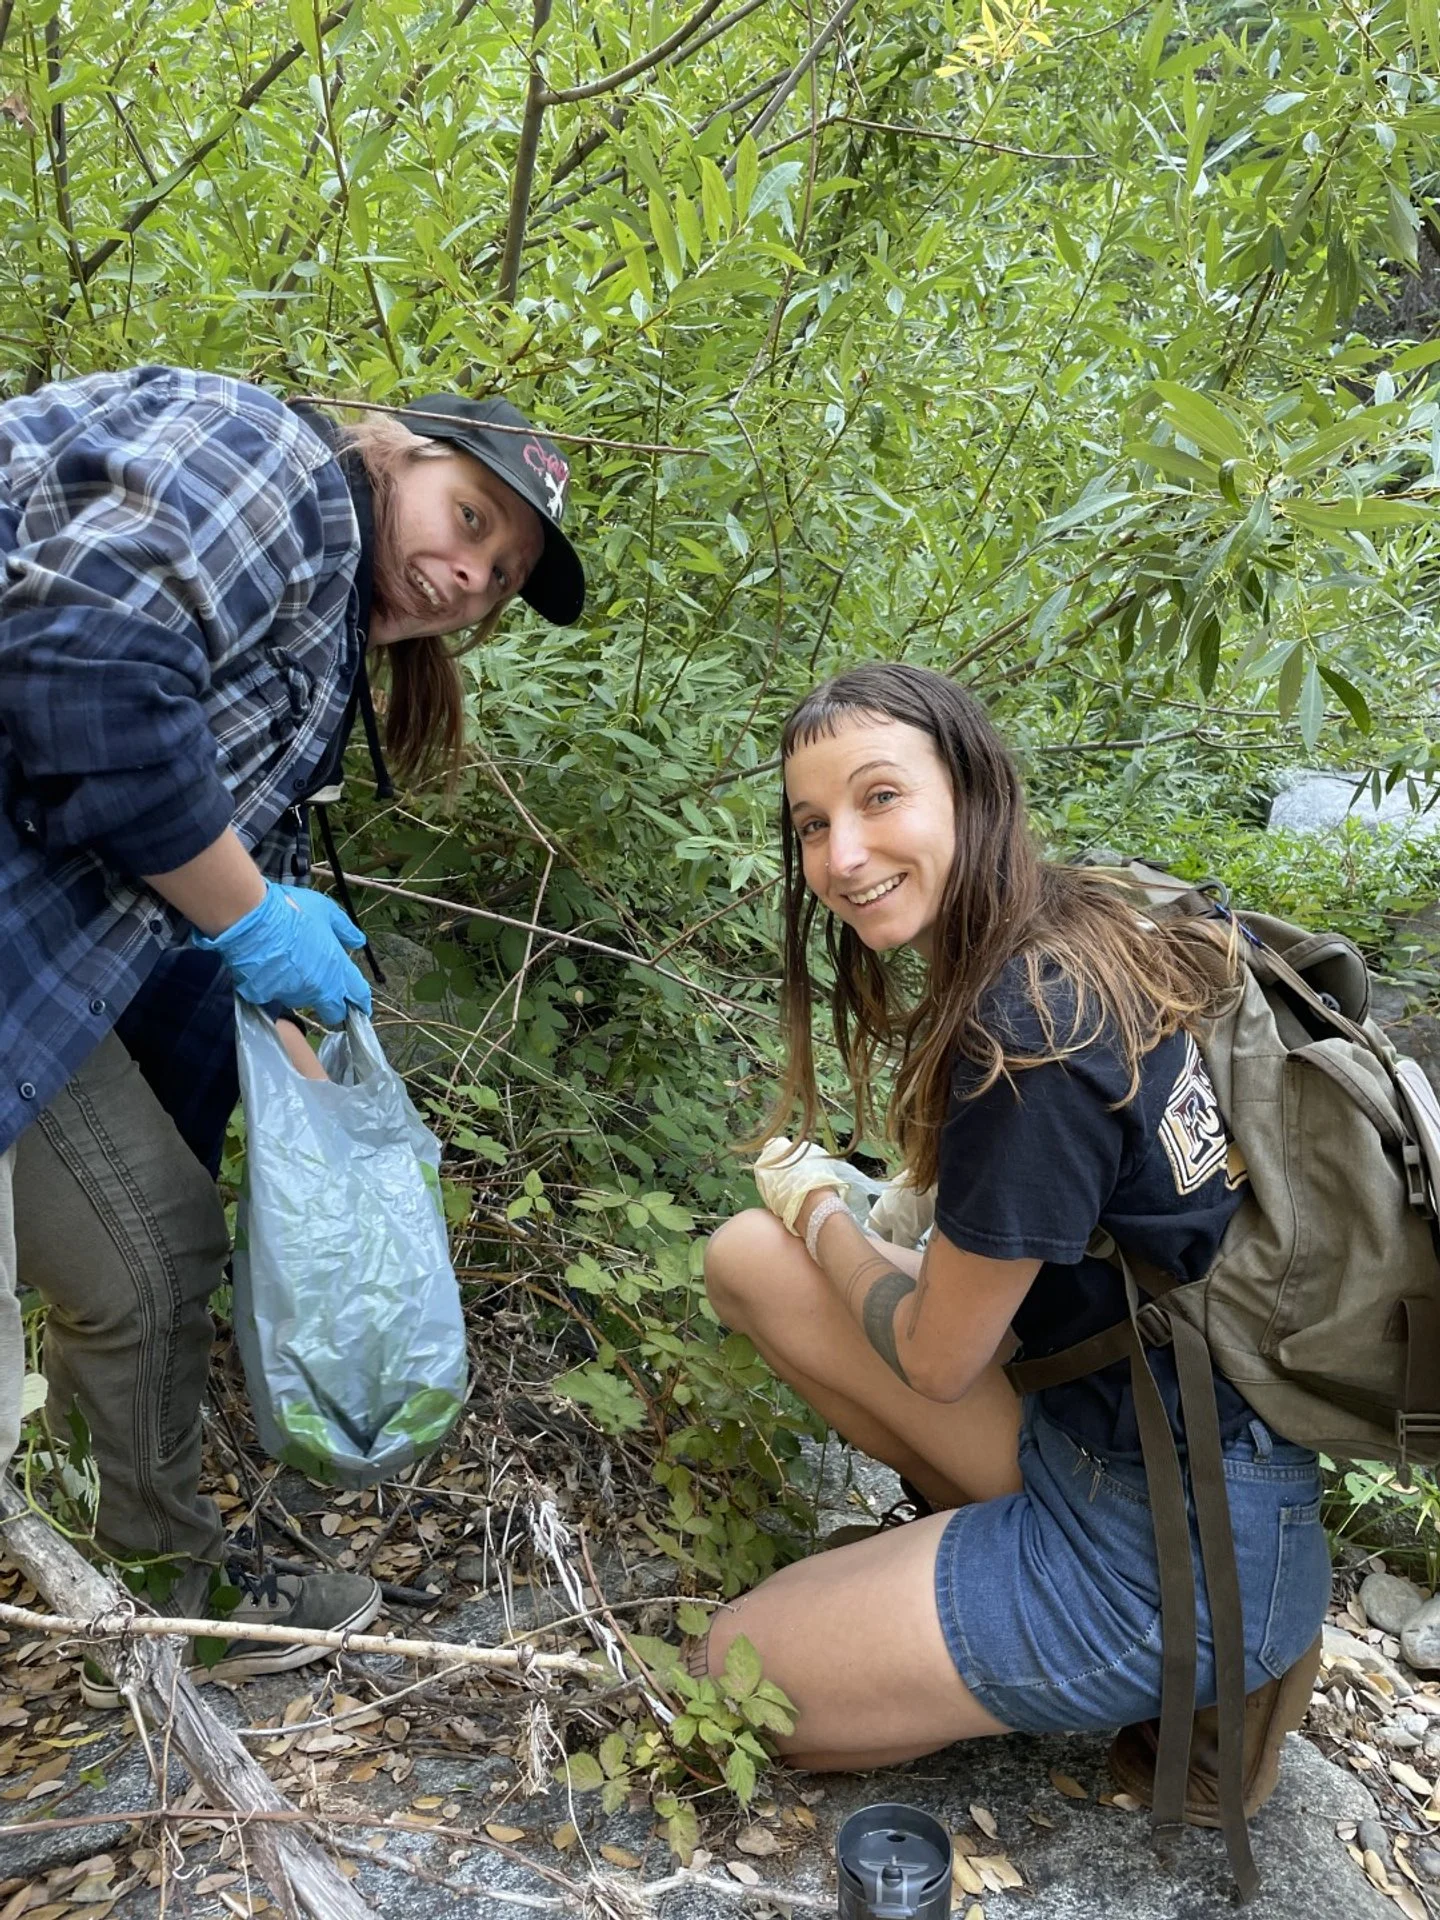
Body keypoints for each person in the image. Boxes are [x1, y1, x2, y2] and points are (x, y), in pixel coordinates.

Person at [0, 366, 585, 1702]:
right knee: (150, 1252)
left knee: (152, 1243)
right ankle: (163, 1606)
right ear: (397, 449)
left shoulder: (318, 642)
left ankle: (156, 1586)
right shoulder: (269, 460)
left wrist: (322, 1080)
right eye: (473, 517)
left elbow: (203, 858)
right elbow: (83, 660)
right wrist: (254, 915)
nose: (469, 576)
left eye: (499, 577)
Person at [699, 663, 1329, 1837]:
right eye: (812, 824)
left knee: (735, 1682)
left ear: (972, 789)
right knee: (744, 1256)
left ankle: (1199, 1672)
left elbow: (937, 1361)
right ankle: (975, 1590)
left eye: (881, 798)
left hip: (1174, 1552)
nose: (840, 856)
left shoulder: (1025, 1031)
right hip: (1148, 1446)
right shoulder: (1089, 918)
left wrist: (821, 1211)